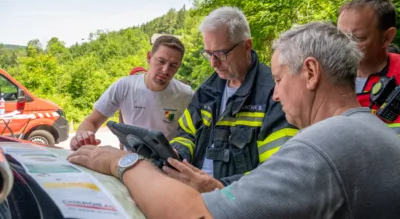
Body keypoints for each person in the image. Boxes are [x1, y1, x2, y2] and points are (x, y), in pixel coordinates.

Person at [68, 21, 400, 218]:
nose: (276, 95)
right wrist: (221, 189)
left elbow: (192, 215)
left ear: (310, 73)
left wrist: (122, 162)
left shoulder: (321, 148)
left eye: (281, 79)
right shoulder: (372, 130)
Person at [166, 7, 297, 189]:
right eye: (208, 54)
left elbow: (276, 172)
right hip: (193, 192)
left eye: (220, 53)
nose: (213, 63)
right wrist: (179, 153)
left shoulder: (273, 94)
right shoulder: (208, 89)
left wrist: (219, 187)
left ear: (247, 46)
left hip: (236, 203)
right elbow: (185, 132)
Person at [70, 35, 194, 150]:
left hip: (167, 166)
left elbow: (194, 136)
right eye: (161, 61)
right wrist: (82, 136)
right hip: (129, 162)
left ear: (179, 66)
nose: (165, 70)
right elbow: (92, 121)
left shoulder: (187, 95)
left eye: (173, 65)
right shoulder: (124, 86)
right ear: (149, 57)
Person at [337, 0, 400, 133]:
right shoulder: (329, 76)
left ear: (387, 38)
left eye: (357, 38)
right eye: (340, 36)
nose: (345, 44)